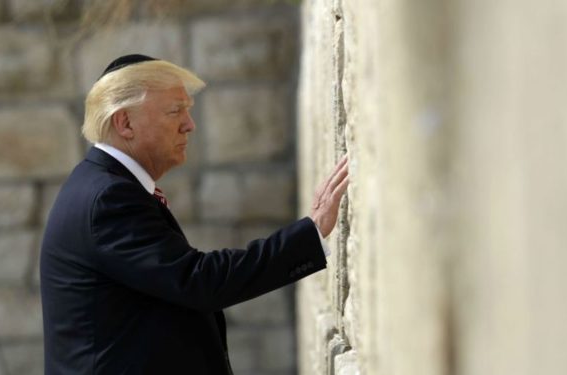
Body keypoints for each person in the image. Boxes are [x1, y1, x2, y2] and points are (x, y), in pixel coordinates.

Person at [40, 54, 349, 375]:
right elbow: (199, 281)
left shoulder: (102, 186)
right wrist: (310, 233)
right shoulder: (107, 198)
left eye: (187, 110)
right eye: (175, 111)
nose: (190, 124)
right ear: (125, 123)